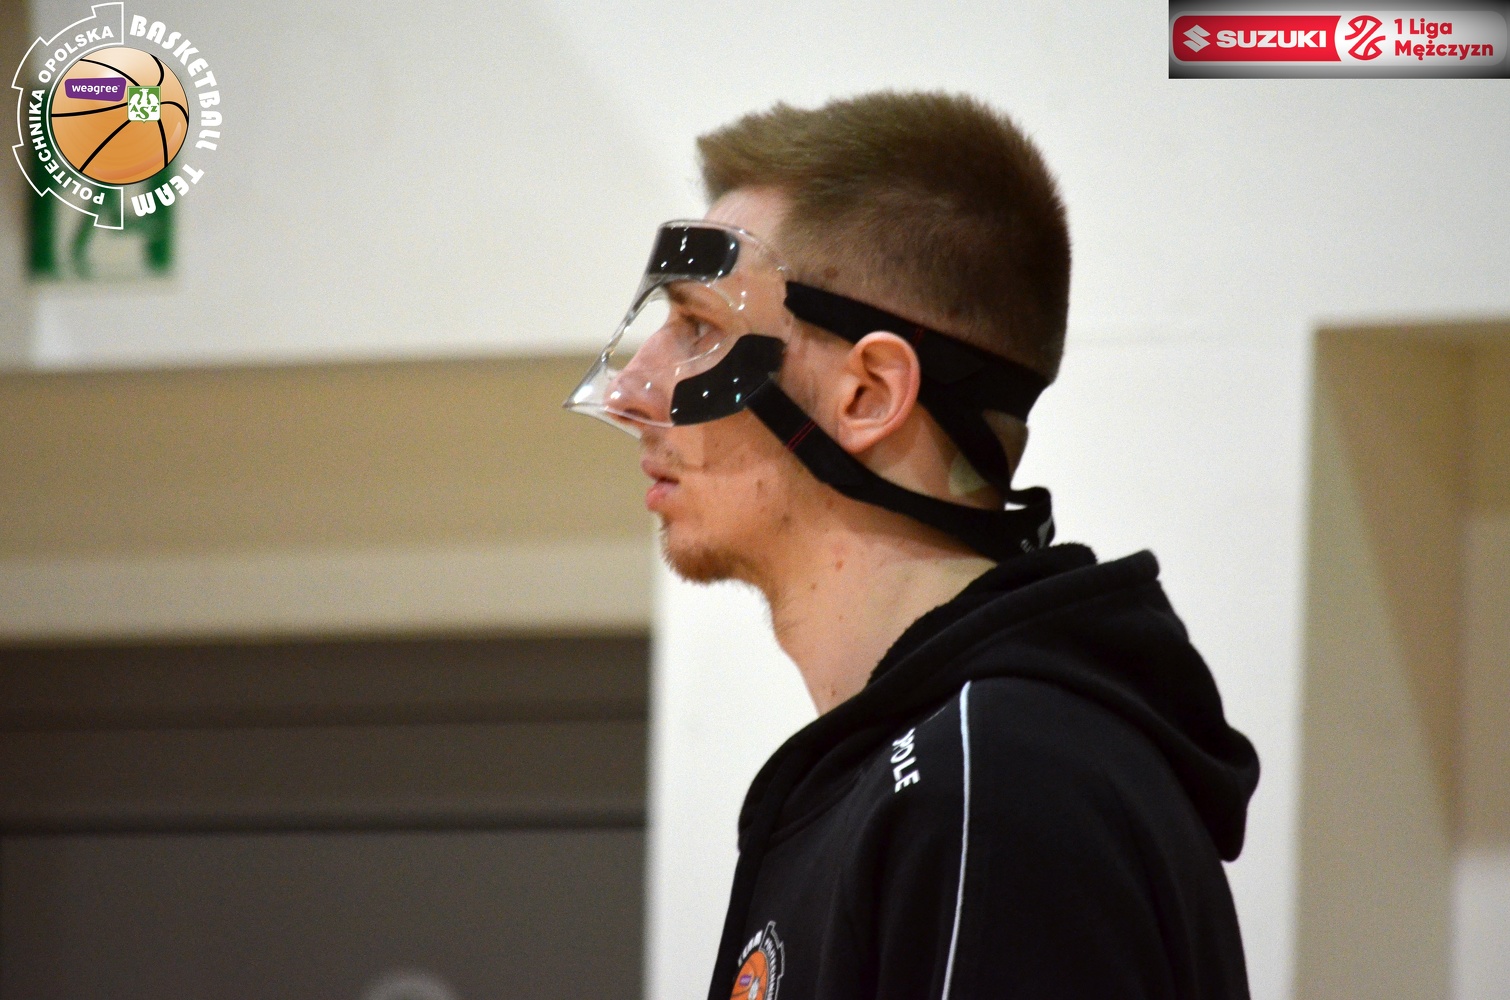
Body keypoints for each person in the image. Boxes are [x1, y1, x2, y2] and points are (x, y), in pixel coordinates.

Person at [566, 91, 1258, 1000]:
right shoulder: (903, 770)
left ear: (868, 394)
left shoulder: (1001, 783)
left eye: (699, 329)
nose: (633, 391)